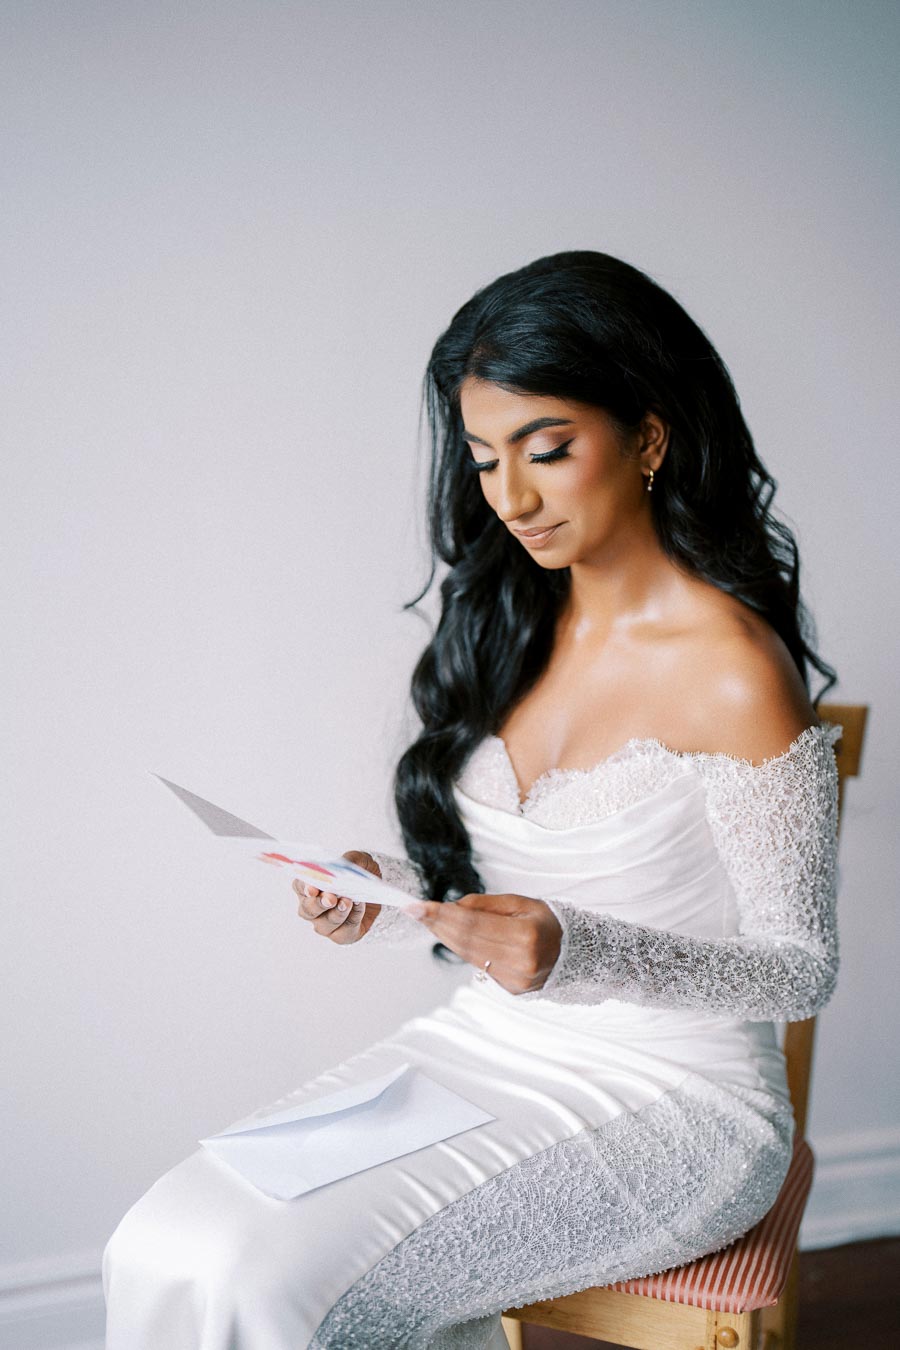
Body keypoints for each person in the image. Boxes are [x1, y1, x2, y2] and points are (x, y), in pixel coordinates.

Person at [103, 251, 841, 1350]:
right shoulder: (511, 624)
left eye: (548, 450)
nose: (512, 497)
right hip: (489, 1047)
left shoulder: (732, 669)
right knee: (168, 1240)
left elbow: (800, 969)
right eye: (487, 459)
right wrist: (393, 896)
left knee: (267, 1278)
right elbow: (523, 907)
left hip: (684, 1103)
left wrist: (575, 954)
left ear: (647, 436)